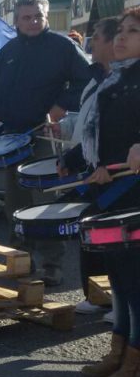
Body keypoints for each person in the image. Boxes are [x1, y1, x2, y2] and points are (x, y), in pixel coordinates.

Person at [59, 9, 140, 377]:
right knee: (121, 281)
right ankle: (120, 351)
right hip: (111, 191)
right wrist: (89, 163)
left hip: (135, 195)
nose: (121, 37)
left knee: (137, 283)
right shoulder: (117, 80)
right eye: (120, 31)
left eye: (133, 31)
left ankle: (135, 366)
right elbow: (101, 134)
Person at [0, 0, 91, 286]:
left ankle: (50, 266)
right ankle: (19, 259)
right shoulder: (8, 50)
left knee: (44, 204)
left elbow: (87, 79)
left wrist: (61, 105)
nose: (32, 22)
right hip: (12, 137)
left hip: (44, 136)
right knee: (15, 202)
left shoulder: (63, 47)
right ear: (16, 21)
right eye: (26, 17)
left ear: (46, 18)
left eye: (37, 17)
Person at [67, 17, 119, 317]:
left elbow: (120, 131)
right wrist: (70, 156)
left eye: (95, 37)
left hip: (118, 172)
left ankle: (118, 299)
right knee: (92, 230)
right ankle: (98, 295)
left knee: (111, 234)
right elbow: (89, 124)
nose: (90, 43)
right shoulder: (95, 77)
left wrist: (109, 164)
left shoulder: (125, 81)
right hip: (93, 167)